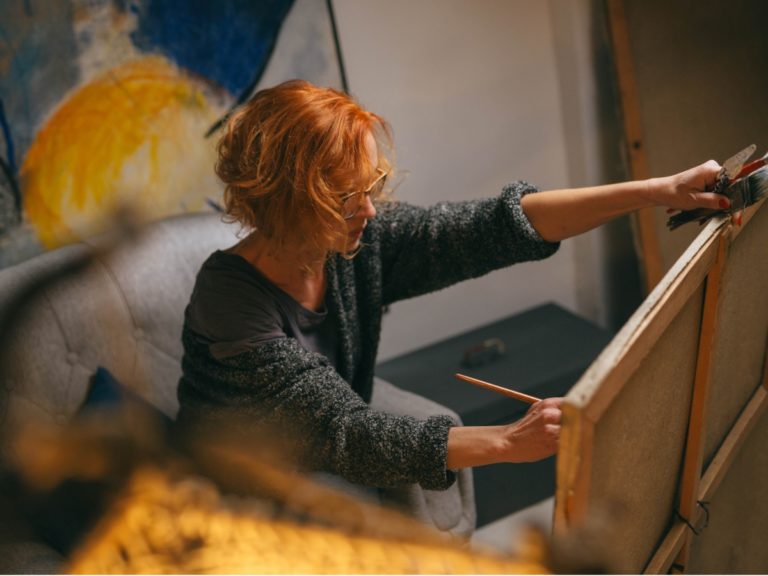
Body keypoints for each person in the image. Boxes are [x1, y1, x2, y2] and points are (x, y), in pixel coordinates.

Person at [176, 79, 724, 512]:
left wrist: (658, 192)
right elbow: (346, 430)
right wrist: (508, 442)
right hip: (234, 494)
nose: (368, 210)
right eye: (346, 197)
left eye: (369, 187)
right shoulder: (227, 301)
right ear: (287, 201)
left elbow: (493, 227)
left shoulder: (350, 243)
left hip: (314, 463)